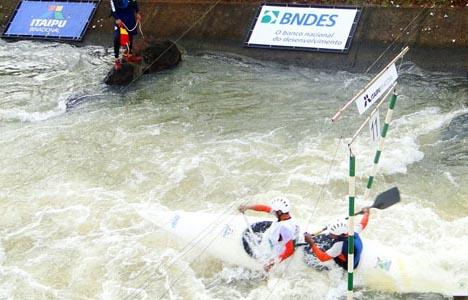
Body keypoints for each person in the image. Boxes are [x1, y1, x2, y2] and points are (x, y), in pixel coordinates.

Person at [239, 197, 298, 272]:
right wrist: (247, 207)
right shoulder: (284, 215)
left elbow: (290, 250)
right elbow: (265, 208)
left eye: (274, 210)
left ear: (279, 212)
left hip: (272, 251)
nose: (273, 211)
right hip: (270, 239)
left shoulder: (284, 228)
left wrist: (271, 263)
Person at [303, 207, 370, 270]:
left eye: (331, 233)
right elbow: (363, 223)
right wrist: (366, 213)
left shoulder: (339, 246)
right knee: (328, 239)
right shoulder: (353, 230)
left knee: (325, 246)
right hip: (355, 256)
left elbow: (322, 258)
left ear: (337, 234)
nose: (329, 233)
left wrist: (311, 243)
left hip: (348, 265)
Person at [110, 0, 142, 70]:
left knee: (130, 35)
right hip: (120, 18)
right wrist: (117, 18)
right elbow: (113, 8)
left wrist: (137, 13)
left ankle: (129, 55)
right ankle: (117, 59)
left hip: (130, 16)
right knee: (117, 38)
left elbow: (134, 2)